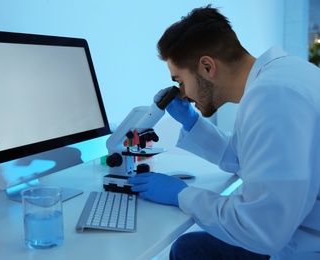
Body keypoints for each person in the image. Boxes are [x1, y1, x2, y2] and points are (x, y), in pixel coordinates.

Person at [127, 5, 320, 260]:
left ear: (207, 66)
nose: (182, 93)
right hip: (296, 227)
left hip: (299, 245)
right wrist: (192, 122)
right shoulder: (281, 74)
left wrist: (181, 194)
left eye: (180, 82)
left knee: (184, 250)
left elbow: (260, 230)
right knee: (188, 247)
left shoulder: (271, 99)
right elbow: (244, 158)